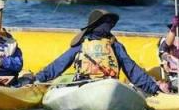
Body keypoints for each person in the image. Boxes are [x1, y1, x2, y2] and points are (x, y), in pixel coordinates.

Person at [20, 10, 161, 95]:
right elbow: (60, 64)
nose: (108, 26)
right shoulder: (82, 44)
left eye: (109, 23)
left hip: (109, 85)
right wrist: (37, 78)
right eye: (105, 22)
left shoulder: (115, 45)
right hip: (84, 84)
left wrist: (153, 88)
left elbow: (131, 69)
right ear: (95, 25)